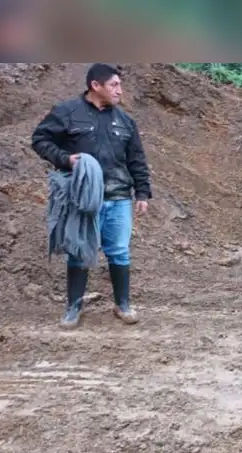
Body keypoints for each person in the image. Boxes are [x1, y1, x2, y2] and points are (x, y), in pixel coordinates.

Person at [30, 63, 152, 329]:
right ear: (95, 86)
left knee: (119, 251)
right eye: (114, 85)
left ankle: (123, 304)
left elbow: (137, 160)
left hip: (119, 197)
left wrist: (142, 192)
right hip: (84, 198)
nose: (120, 90)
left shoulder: (125, 121)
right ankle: (73, 307)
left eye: (120, 85)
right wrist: (65, 159)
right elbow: (40, 139)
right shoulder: (67, 113)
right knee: (79, 251)